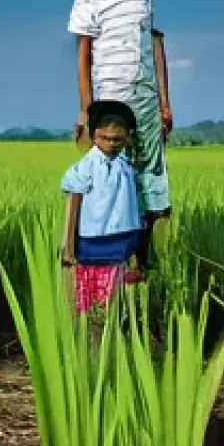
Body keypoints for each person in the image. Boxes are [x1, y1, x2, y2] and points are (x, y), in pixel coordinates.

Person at [67, 0, 173, 273]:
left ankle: (145, 264)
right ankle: (103, 257)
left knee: (152, 179)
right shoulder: (89, 0)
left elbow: (155, 46)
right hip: (111, 102)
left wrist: (165, 104)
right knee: (112, 181)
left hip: (145, 100)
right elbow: (83, 57)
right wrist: (86, 111)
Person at [60, 100, 142, 313]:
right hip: (92, 239)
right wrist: (68, 245)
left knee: (115, 294)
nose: (111, 144)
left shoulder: (126, 166)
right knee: (86, 292)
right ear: (95, 136)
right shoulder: (87, 166)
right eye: (105, 138)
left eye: (117, 139)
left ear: (127, 138)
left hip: (122, 239)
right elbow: (73, 202)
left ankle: (110, 324)